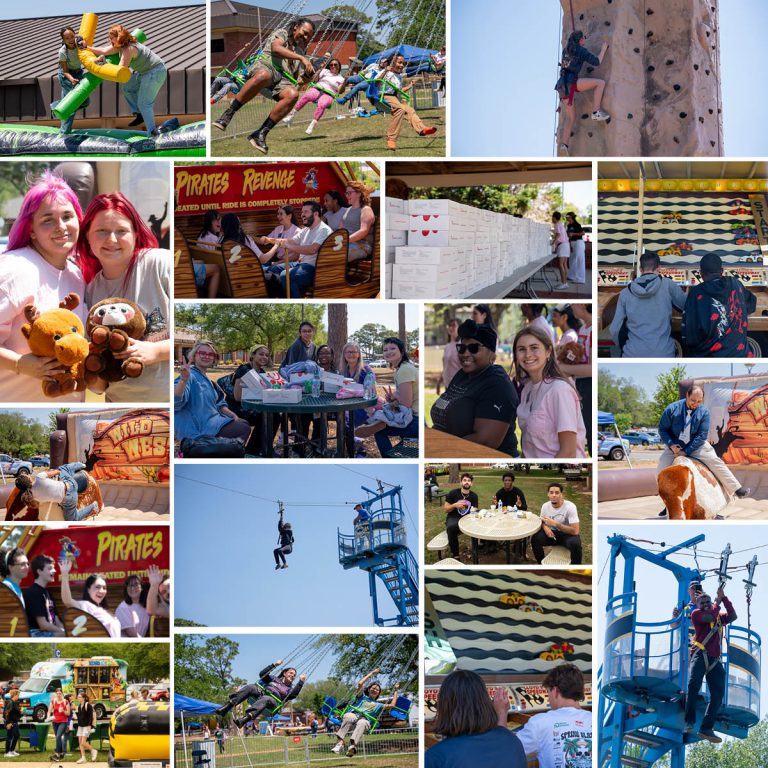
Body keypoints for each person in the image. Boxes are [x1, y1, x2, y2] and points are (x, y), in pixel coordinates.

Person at [0, 172, 87, 402]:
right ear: (31, 230)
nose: (61, 227)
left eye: (68, 216)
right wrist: (19, 364)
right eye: (47, 220)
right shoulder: (15, 269)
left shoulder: (77, 275)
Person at [77, 192, 170, 402]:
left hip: (166, 404)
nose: (112, 240)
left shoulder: (159, 264)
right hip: (119, 406)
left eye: (121, 231)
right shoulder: (91, 290)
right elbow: (100, 386)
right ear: (87, 236)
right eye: (101, 231)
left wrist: (156, 351)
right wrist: (91, 371)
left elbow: (194, 333)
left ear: (136, 234)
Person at [213, 17, 317, 154]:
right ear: (296, 27)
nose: (305, 37)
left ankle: (260, 133)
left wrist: (307, 78)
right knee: (264, 75)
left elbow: (297, 79)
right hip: (266, 66)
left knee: (293, 94)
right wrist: (302, 58)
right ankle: (228, 114)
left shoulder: (299, 51)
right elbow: (276, 48)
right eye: (304, 32)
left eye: (308, 36)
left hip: (280, 81)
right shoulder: (282, 34)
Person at [431, 320, 519, 456]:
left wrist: (439, 448)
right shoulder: (462, 375)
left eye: (474, 348)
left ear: (491, 353)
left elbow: (485, 441)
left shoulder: (497, 385)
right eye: (461, 348)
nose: (465, 353)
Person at [656, 385, 749, 507]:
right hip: (674, 445)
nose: (696, 403)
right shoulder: (671, 409)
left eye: (699, 401)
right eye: (693, 400)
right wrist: (671, 445)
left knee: (715, 461)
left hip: (697, 445)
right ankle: (667, 504)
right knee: (661, 469)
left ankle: (737, 489)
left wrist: (687, 451)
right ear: (687, 396)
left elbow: (702, 435)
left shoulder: (704, 412)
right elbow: (662, 429)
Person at [425, 669, 526, 768]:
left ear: (444, 706)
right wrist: (502, 713)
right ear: (485, 702)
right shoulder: (513, 741)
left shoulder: (435, 757)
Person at [514, 326, 587, 459]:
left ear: (548, 352)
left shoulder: (559, 389)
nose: (528, 354)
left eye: (534, 348)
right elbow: (529, 446)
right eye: (521, 349)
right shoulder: (527, 389)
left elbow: (568, 452)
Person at [88, 25, 167, 136]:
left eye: (111, 38)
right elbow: (104, 50)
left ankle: (152, 133)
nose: (110, 41)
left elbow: (119, 70)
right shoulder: (121, 45)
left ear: (118, 38)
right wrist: (87, 47)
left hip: (155, 71)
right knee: (128, 87)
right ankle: (140, 114)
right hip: (145, 72)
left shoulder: (128, 49)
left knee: (144, 103)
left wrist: (104, 63)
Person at [609, 251, 686, 357]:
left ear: (641, 269)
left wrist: (625, 346)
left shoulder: (625, 293)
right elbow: (686, 305)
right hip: (664, 353)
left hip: (632, 353)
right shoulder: (668, 285)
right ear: (659, 268)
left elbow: (615, 329)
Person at [684, 586, 737, 743]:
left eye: (708, 601)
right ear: (698, 605)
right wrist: (717, 603)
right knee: (693, 686)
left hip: (714, 660)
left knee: (718, 695)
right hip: (700, 655)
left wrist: (724, 598)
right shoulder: (696, 614)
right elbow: (710, 617)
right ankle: (689, 721)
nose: (706, 604)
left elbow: (733, 616)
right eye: (703, 602)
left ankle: (706, 728)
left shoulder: (717, 615)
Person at [514, 664, 592, 768]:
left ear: (555, 691)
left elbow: (508, 751)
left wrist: (501, 713)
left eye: (548, 693)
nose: (548, 699)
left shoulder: (540, 722)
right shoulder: (597, 721)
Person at [174, 340, 252, 445]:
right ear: (193, 356)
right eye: (202, 353)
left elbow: (219, 404)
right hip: (198, 430)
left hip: (212, 423)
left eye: (210, 354)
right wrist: (183, 380)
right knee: (243, 428)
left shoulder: (209, 381)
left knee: (242, 423)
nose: (207, 356)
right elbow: (176, 402)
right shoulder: (190, 376)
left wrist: (233, 415)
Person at [682, 253, 757, 357]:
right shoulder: (735, 284)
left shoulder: (696, 293)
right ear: (722, 271)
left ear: (701, 273)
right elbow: (751, 305)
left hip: (709, 356)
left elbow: (691, 332)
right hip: (739, 354)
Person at [356, 337, 419, 458]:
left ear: (401, 350)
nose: (388, 351)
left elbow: (406, 402)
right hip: (411, 417)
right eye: (385, 350)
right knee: (383, 418)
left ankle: (389, 457)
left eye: (392, 348)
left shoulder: (404, 370)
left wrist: (395, 395)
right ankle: (378, 423)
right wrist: (394, 397)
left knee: (379, 430)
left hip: (415, 420)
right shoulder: (403, 368)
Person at [556, 30, 610, 156]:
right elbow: (597, 62)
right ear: (580, 41)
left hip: (562, 87)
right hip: (572, 83)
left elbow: (575, 44)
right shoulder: (581, 51)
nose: (584, 41)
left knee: (571, 118)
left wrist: (582, 37)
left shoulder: (566, 50)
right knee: (600, 83)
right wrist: (604, 49)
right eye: (583, 39)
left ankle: (564, 145)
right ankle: (596, 112)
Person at [266, 201, 332, 298]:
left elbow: (312, 249)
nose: (302, 215)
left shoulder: (324, 230)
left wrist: (289, 246)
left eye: (306, 212)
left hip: (314, 269)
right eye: (302, 212)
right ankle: (282, 296)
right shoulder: (306, 229)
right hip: (301, 264)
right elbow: (291, 241)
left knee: (286, 275)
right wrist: (270, 240)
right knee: (273, 269)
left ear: (316, 214)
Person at [331, 670, 401, 757]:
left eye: (377, 689)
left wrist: (396, 690)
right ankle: (340, 744)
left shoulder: (378, 705)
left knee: (362, 722)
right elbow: (360, 684)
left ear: (378, 693)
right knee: (349, 716)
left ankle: (352, 746)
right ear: (369, 689)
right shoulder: (362, 697)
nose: (375, 689)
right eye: (373, 688)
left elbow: (392, 705)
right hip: (353, 716)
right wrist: (372, 673)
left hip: (365, 720)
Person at [215, 661, 306, 728]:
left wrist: (301, 682)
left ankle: (244, 719)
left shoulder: (288, 689)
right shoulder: (273, 679)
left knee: (267, 698)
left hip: (272, 703)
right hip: (262, 694)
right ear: (285, 673)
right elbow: (262, 674)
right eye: (291, 673)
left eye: (294, 675)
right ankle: (226, 707)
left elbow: (293, 695)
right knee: (251, 687)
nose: (293, 675)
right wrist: (274, 665)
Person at [379, 54, 438, 151]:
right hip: (386, 96)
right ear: (392, 63)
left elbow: (400, 90)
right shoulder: (386, 73)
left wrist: (410, 85)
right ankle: (391, 139)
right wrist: (385, 71)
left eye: (403, 63)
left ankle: (422, 130)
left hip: (397, 97)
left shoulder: (398, 76)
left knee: (410, 111)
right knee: (400, 109)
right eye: (399, 62)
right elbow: (376, 83)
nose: (402, 65)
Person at [559, 303, 593, 455]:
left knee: (590, 430)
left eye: (574, 304)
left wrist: (563, 369)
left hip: (589, 385)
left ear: (584, 305)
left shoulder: (592, 330)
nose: (572, 306)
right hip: (581, 383)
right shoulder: (583, 329)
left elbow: (592, 369)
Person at [59, 557, 121, 637]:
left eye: (104, 588)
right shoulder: (85, 605)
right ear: (88, 589)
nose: (101, 591)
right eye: (97, 587)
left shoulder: (104, 610)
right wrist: (64, 573)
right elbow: (67, 601)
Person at [16, 462, 99, 521]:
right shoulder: (39, 477)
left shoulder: (32, 498)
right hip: (70, 484)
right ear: (29, 479)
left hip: (69, 499)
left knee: (73, 519)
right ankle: (81, 465)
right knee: (63, 468)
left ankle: (93, 506)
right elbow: (57, 472)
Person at [283, 58, 345, 134]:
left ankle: (312, 125)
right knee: (307, 96)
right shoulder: (325, 71)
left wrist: (344, 83)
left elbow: (340, 91)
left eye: (335, 65)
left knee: (322, 104)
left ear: (339, 66)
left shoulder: (341, 79)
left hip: (329, 93)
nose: (333, 66)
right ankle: (291, 115)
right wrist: (320, 70)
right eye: (331, 65)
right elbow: (315, 80)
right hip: (318, 88)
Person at [530, 483, 582, 565]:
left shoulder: (570, 507)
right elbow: (542, 520)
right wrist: (546, 528)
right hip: (551, 535)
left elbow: (575, 531)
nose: (554, 495)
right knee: (535, 539)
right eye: (551, 492)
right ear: (548, 494)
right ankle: (541, 564)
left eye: (557, 493)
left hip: (567, 535)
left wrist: (556, 524)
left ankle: (575, 567)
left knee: (576, 545)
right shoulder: (545, 506)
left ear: (562, 495)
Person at [340, 342, 373, 456]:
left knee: (346, 420)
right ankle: (354, 449)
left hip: (363, 407)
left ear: (359, 354)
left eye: (354, 352)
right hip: (346, 406)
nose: (351, 354)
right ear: (344, 355)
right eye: (348, 352)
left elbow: (371, 392)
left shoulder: (366, 370)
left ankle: (359, 451)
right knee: (341, 416)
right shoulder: (343, 371)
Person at [57, 27, 90, 134]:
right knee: (70, 105)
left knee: (85, 101)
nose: (70, 39)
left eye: (72, 36)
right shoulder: (63, 51)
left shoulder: (79, 43)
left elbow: (87, 50)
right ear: (63, 40)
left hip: (78, 72)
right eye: (67, 38)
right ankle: (64, 132)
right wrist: (71, 79)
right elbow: (65, 71)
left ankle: (58, 107)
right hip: (66, 75)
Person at [24, 554, 65, 637]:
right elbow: (43, 625)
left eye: (53, 568)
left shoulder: (48, 592)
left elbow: (56, 620)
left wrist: (66, 630)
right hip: (36, 633)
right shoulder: (33, 592)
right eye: (50, 568)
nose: (54, 571)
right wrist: (64, 632)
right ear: (39, 571)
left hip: (50, 631)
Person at [443, 473, 479, 559]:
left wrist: (475, 510)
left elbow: (475, 508)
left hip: (468, 518)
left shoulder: (474, 496)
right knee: (451, 528)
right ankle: (455, 555)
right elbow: (446, 509)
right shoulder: (453, 493)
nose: (467, 482)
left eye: (469, 481)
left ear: (471, 483)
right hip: (454, 517)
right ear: (461, 482)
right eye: (465, 480)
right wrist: (454, 505)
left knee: (482, 522)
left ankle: (481, 546)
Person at [341, 181, 376, 264]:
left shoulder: (366, 209)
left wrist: (345, 240)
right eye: (346, 193)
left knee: (337, 255)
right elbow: (340, 230)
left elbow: (363, 231)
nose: (347, 196)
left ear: (359, 194)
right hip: (345, 244)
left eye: (349, 193)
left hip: (362, 246)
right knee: (325, 252)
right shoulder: (347, 210)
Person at [192, 210, 222, 298]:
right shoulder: (213, 239)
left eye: (220, 219)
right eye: (216, 220)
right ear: (209, 222)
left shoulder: (202, 235)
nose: (219, 222)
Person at [438, 318, 460, 394]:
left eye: (454, 325)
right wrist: (439, 381)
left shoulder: (461, 346)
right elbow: (445, 366)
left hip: (457, 385)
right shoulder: (447, 346)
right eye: (449, 325)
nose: (451, 327)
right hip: (447, 384)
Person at [48, 688, 71, 761]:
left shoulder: (65, 702)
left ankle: (57, 753)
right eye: (57, 693)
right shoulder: (53, 701)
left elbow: (68, 713)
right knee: (57, 738)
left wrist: (63, 711)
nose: (58, 695)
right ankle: (61, 753)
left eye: (60, 694)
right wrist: (48, 717)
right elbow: (49, 711)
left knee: (58, 736)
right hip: (55, 722)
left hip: (63, 721)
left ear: (62, 694)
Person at [75, 692, 98, 763]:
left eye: (80, 697)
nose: (78, 698)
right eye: (78, 697)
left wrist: (89, 726)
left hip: (86, 726)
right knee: (80, 742)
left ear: (84, 698)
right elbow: (80, 717)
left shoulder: (88, 705)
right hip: (80, 726)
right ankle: (83, 758)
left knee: (83, 742)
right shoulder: (79, 706)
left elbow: (90, 716)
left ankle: (93, 751)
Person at [565, 212, 586, 285]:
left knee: (579, 260)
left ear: (571, 217)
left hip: (578, 242)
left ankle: (580, 278)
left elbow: (583, 233)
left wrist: (573, 234)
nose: (566, 217)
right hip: (572, 243)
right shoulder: (568, 225)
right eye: (566, 216)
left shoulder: (577, 225)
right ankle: (572, 276)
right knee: (572, 260)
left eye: (568, 216)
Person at [551, 212, 570, 291]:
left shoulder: (557, 224)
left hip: (562, 245)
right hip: (566, 244)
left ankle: (563, 283)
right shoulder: (561, 224)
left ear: (555, 218)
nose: (552, 219)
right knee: (564, 264)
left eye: (552, 217)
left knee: (561, 264)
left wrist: (553, 243)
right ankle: (565, 283)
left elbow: (558, 235)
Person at [3, 688, 21, 758]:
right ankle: (7, 752)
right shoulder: (10, 702)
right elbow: (6, 713)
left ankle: (12, 750)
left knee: (16, 736)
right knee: (9, 737)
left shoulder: (14, 703)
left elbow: (15, 712)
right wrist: (8, 723)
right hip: (10, 723)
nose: (18, 697)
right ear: (14, 695)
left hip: (15, 722)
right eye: (18, 695)